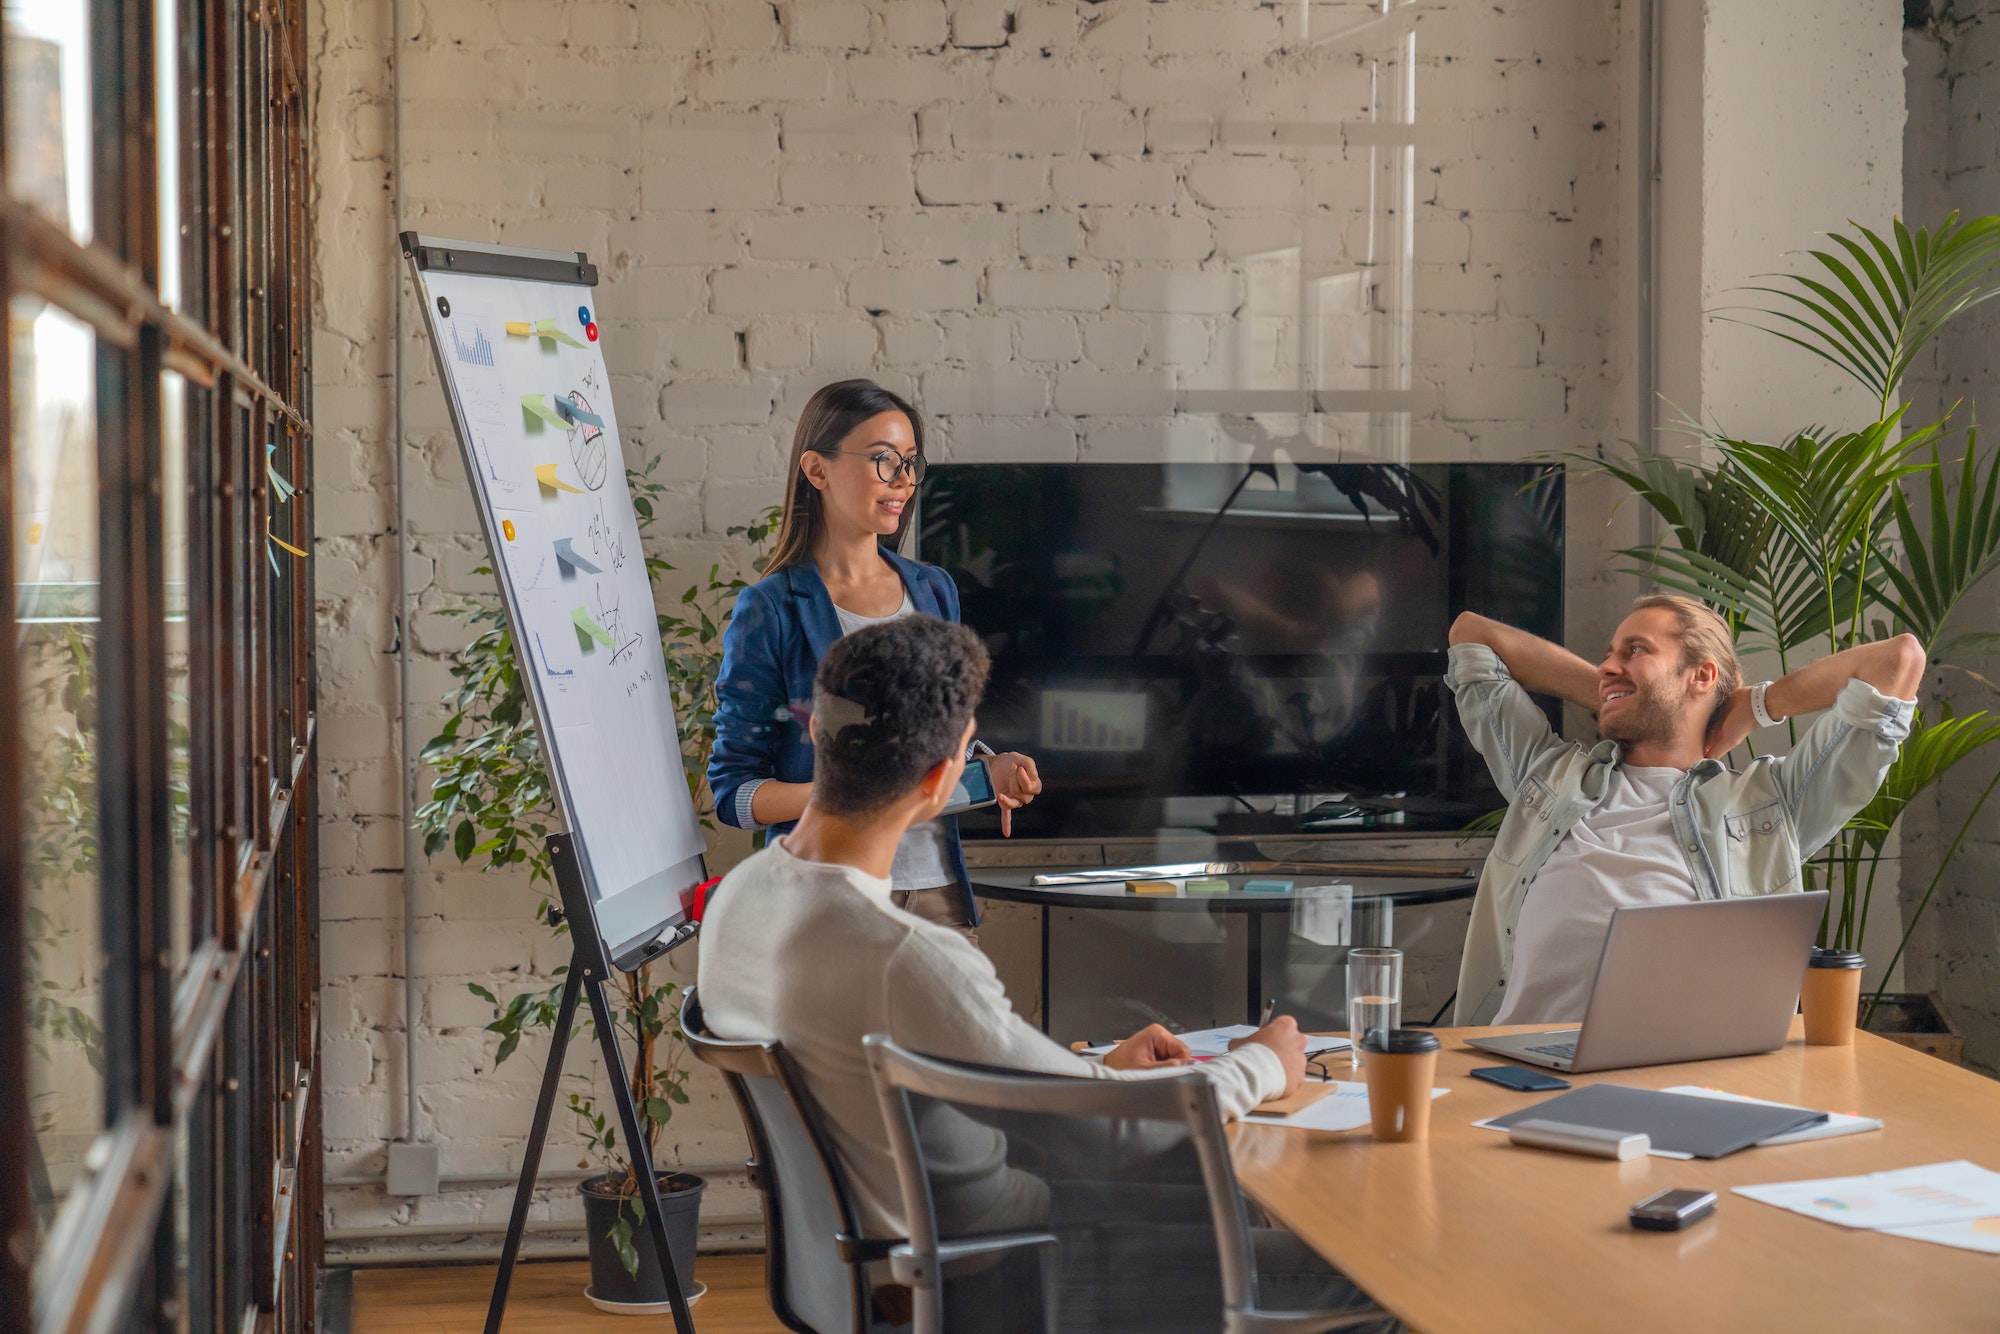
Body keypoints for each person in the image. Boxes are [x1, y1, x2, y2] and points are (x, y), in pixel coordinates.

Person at [699, 617, 1379, 1330]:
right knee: (1368, 1283)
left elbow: (940, 1103)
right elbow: (1116, 1135)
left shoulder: (738, 901)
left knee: (1228, 1203)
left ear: (818, 736)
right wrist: (1263, 1065)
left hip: (878, 1270)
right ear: (941, 780)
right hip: (1002, 1276)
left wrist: (1091, 1072)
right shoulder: (901, 953)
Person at [1444, 594, 1922, 1025]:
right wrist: (1619, 690)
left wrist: (1756, 705)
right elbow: (1471, 635)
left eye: (1635, 649)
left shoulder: (1767, 804)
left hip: (1682, 1076)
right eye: (1608, 655)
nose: (1607, 664)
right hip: (1519, 1065)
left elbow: (1897, 660)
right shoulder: (1548, 776)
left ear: (1702, 675)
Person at [708, 378, 1041, 941]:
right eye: (885, 460)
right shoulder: (770, 608)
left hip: (938, 896)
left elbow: (932, 757)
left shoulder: (934, 590)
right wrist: (853, 794)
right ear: (817, 471)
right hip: (826, 904)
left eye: (910, 463)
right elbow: (733, 793)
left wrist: (990, 771)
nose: (904, 482)